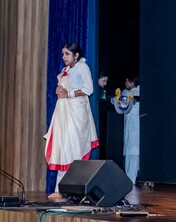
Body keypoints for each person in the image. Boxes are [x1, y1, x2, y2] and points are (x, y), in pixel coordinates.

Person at [44, 42, 99, 199]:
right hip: (64, 113)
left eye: (67, 54)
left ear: (76, 55)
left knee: (72, 149)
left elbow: (89, 89)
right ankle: (60, 189)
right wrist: (61, 91)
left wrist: (67, 94)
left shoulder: (82, 67)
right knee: (63, 148)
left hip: (77, 114)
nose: (64, 57)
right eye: (63, 54)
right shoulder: (66, 70)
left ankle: (72, 189)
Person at [112, 77, 140, 183]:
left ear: (132, 82)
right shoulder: (136, 92)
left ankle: (131, 179)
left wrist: (115, 101)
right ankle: (134, 177)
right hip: (134, 125)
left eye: (127, 81)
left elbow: (122, 107)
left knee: (132, 151)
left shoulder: (132, 93)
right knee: (134, 150)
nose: (125, 83)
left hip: (133, 125)